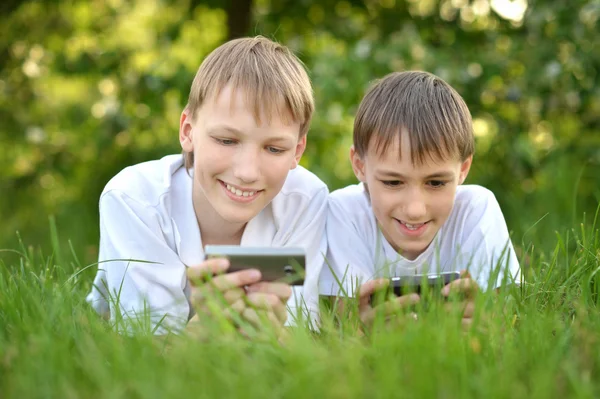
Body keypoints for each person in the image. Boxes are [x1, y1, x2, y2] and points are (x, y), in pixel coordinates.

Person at [86, 36, 328, 336]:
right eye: (226, 140)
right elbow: (146, 348)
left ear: (298, 151)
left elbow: (296, 334)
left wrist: (274, 335)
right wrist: (208, 327)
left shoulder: (306, 200)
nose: (247, 172)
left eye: (274, 149)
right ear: (188, 131)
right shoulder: (133, 198)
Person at [319, 71, 521, 330]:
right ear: (359, 165)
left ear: (463, 169)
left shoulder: (476, 208)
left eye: (435, 183)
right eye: (393, 182)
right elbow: (347, 322)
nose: (415, 210)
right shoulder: (344, 211)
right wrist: (360, 330)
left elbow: (500, 320)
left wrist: (485, 321)